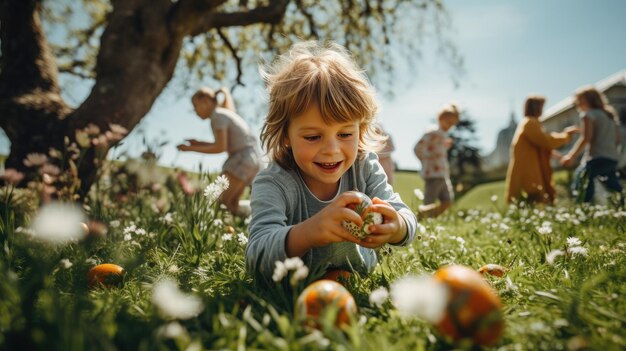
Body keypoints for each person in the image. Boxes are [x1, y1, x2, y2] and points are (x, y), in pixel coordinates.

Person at [245, 41, 417, 282]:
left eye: (345, 134)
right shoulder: (274, 182)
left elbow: (405, 218)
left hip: (356, 286)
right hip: (298, 291)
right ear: (285, 135)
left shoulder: (363, 166)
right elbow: (256, 256)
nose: (331, 150)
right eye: (313, 137)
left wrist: (397, 227)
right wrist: (310, 232)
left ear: (361, 129)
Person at [177, 87, 261, 216]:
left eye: (195, 106)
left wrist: (190, 149)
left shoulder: (217, 116)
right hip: (252, 158)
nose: (195, 111)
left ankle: (257, 218)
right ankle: (247, 224)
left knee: (222, 204)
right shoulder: (223, 113)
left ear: (205, 101)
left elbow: (220, 148)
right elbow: (224, 144)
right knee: (232, 204)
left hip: (241, 158)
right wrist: (198, 143)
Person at [505, 95, 578, 205]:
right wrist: (566, 136)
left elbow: (542, 147)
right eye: (541, 106)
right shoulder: (529, 123)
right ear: (535, 108)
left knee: (534, 199)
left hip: (531, 166)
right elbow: (546, 141)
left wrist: (560, 157)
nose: (542, 110)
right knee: (534, 196)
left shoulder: (530, 123)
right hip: (528, 168)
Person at [561, 86, 623, 204]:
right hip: (612, 157)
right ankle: (621, 205)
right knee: (611, 183)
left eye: (579, 100)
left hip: (596, 157)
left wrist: (571, 155)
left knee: (582, 177)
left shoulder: (588, 115)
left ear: (588, 100)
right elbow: (617, 139)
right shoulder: (609, 116)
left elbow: (586, 138)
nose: (577, 103)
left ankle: (584, 206)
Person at [413, 103, 460, 218]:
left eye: (452, 124)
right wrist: (425, 160)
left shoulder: (443, 135)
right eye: (448, 123)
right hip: (433, 174)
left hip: (443, 174)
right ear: (440, 119)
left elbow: (437, 150)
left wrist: (444, 145)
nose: (450, 126)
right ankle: (421, 219)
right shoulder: (432, 132)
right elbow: (417, 148)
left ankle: (425, 214)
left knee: (448, 202)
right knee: (429, 202)